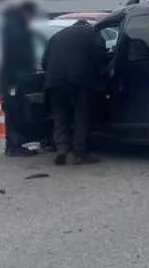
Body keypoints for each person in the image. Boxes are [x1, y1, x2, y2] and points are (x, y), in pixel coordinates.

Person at [41, 18, 109, 165]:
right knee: (81, 116)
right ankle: (80, 153)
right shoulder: (93, 33)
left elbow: (44, 61)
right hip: (80, 81)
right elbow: (100, 58)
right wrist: (102, 74)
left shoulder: (58, 35)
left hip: (55, 81)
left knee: (60, 116)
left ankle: (62, 149)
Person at [0, 0, 40, 158]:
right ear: (26, 12)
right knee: (14, 111)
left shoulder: (13, 25)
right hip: (13, 78)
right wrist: (27, 69)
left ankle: (14, 144)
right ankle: (14, 146)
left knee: (14, 111)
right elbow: (17, 53)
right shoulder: (15, 28)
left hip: (12, 77)